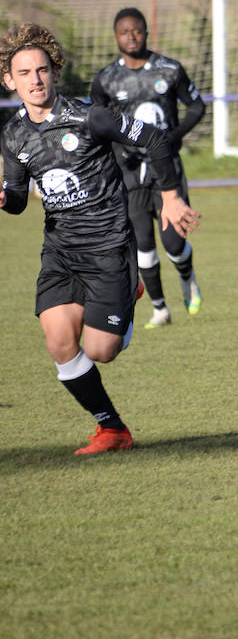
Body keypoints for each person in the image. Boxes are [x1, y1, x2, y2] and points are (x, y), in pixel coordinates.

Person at [0, 23, 200, 455]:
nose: (34, 80)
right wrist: (4, 197)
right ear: (9, 81)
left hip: (108, 248)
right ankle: (112, 429)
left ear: (55, 73)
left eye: (42, 70)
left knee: (101, 350)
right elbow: (18, 200)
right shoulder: (14, 135)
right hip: (60, 252)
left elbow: (154, 138)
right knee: (58, 341)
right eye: (24, 73)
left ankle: (131, 289)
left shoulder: (91, 116)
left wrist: (169, 197)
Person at [91, 8, 204, 328]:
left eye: (137, 30)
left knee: (172, 242)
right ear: (115, 36)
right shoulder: (105, 80)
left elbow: (197, 106)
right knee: (142, 242)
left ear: (146, 32)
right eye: (124, 32)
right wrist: (115, 152)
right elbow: (96, 125)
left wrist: (173, 138)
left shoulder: (169, 70)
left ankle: (187, 276)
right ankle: (160, 309)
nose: (131, 36)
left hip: (166, 169)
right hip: (129, 172)